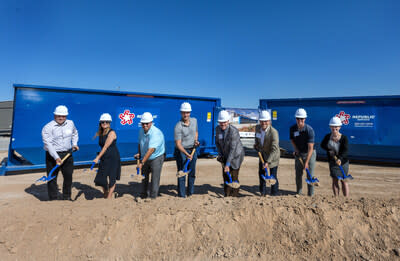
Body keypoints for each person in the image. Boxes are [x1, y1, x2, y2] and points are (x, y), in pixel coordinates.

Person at [42, 105, 79, 201]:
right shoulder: (48, 127)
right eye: (59, 116)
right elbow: (48, 144)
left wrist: (74, 144)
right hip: (52, 155)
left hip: (68, 154)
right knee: (52, 178)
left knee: (68, 177)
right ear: (55, 115)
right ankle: (53, 198)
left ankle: (67, 197)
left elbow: (75, 133)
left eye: (64, 116)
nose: (61, 118)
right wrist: (56, 157)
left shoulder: (70, 123)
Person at [135, 112, 165, 199]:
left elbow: (151, 150)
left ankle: (152, 197)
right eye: (143, 123)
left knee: (155, 178)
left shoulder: (156, 133)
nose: (144, 125)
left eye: (147, 123)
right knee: (144, 176)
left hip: (156, 156)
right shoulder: (141, 131)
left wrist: (141, 163)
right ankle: (143, 194)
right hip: (145, 155)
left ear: (151, 123)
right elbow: (140, 143)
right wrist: (140, 153)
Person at [215, 110, 244, 197]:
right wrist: (220, 154)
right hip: (225, 154)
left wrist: (227, 164)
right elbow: (217, 143)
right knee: (225, 175)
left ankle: (234, 195)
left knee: (234, 175)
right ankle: (227, 194)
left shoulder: (233, 131)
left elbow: (233, 149)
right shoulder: (217, 129)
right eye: (221, 122)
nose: (222, 124)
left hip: (236, 156)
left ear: (228, 121)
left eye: (224, 122)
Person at [174, 102, 200, 198]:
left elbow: (196, 132)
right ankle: (181, 195)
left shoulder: (194, 121)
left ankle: (190, 193)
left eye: (187, 112)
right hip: (181, 151)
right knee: (182, 172)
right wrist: (186, 154)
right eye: (184, 112)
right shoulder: (178, 126)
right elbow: (178, 144)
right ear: (181, 113)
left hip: (192, 150)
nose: (186, 115)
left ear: (190, 112)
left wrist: (196, 141)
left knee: (192, 172)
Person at [93, 113, 121, 199]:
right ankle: (106, 192)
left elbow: (105, 147)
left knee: (112, 177)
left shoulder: (112, 132)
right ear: (100, 123)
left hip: (113, 157)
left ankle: (109, 197)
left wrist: (98, 157)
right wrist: (100, 156)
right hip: (105, 157)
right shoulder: (101, 133)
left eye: (107, 122)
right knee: (101, 177)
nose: (105, 123)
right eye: (103, 122)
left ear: (109, 123)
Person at [321, 116, 350, 197]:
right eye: (333, 126)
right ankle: (336, 199)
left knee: (343, 180)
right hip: (333, 162)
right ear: (330, 127)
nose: (334, 128)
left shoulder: (344, 138)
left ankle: (346, 199)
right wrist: (329, 150)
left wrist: (340, 159)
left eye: (336, 126)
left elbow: (345, 151)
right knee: (335, 180)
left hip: (343, 163)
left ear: (340, 127)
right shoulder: (327, 137)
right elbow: (322, 145)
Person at [290, 108, 316, 196]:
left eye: (302, 119)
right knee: (298, 174)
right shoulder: (293, 128)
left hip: (310, 153)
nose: (300, 120)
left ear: (305, 119)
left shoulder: (309, 130)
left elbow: (311, 148)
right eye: (298, 118)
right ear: (296, 118)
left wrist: (307, 162)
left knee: (310, 175)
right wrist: (296, 149)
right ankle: (299, 192)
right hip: (299, 153)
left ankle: (310, 194)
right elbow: (292, 139)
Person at [254, 110, 280, 196]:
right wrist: (256, 145)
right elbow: (257, 139)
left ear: (269, 121)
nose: (263, 123)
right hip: (262, 155)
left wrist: (268, 162)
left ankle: (274, 193)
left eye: (265, 121)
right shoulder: (257, 128)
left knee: (273, 176)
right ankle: (263, 192)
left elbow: (274, 149)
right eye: (262, 121)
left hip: (273, 156)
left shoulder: (273, 132)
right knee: (261, 174)